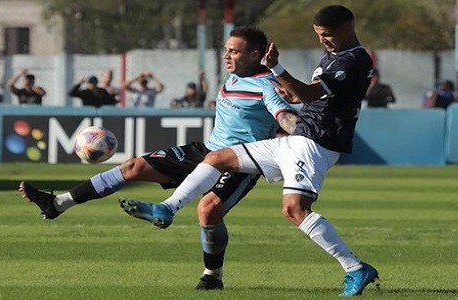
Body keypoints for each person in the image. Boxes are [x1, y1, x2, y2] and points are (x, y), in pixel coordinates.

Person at [120, 6, 379, 297]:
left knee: (295, 210)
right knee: (217, 158)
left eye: (327, 35)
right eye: (319, 35)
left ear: (347, 29)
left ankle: (355, 268)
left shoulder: (354, 59)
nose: (323, 41)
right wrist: (286, 89)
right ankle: (166, 208)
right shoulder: (335, 54)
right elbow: (304, 95)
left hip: (316, 143)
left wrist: (276, 68)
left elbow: (307, 94)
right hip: (300, 137)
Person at [19, 26, 298, 290]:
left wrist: (299, 132)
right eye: (226, 49)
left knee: (208, 211)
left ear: (254, 55)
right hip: (206, 150)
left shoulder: (267, 85)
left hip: (239, 162)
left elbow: (283, 116)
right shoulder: (234, 75)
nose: (226, 55)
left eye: (234, 51)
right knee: (132, 166)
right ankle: (57, 203)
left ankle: (212, 275)